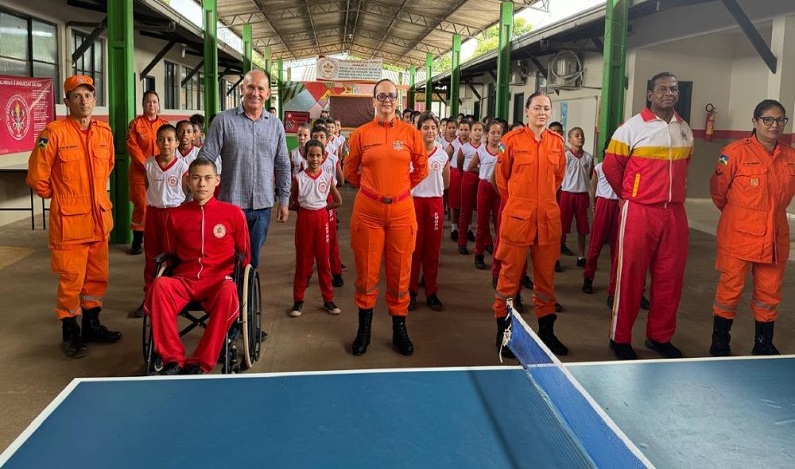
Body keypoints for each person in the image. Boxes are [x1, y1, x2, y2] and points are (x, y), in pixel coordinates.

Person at [27, 74, 122, 358]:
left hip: (98, 220)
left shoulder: (104, 133)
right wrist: (63, 197)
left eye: (88, 95)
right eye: (77, 96)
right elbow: (37, 178)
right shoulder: (54, 133)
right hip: (69, 223)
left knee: (96, 278)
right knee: (71, 280)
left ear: (94, 100)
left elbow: (109, 167)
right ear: (67, 101)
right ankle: (71, 332)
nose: (84, 101)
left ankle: (91, 326)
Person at [602, 71, 693, 360]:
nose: (669, 93)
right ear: (650, 95)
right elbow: (611, 167)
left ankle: (659, 336)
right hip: (640, 211)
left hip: (674, 213)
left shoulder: (684, 129)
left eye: (674, 89)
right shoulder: (631, 128)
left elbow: (684, 167)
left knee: (670, 278)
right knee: (630, 276)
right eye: (662, 89)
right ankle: (620, 338)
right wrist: (630, 195)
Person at [343, 79, 428, 356]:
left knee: (400, 273)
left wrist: (399, 190)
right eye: (382, 96)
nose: (387, 100)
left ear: (398, 100)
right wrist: (374, 191)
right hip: (368, 212)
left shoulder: (411, 133)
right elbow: (350, 171)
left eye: (392, 96)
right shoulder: (361, 134)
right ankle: (364, 330)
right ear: (374, 101)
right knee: (366, 274)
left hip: (402, 212)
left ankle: (399, 329)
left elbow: (421, 169)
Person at [145, 159, 250, 375]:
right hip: (185, 279)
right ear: (188, 181)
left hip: (218, 282)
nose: (202, 184)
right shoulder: (174, 216)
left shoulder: (233, 214)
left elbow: (244, 255)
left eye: (207, 178)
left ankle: (200, 362)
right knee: (159, 286)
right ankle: (172, 359)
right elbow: (170, 253)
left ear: (217, 181)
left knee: (229, 291)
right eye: (196, 178)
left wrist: (234, 277)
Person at [709, 99, 795, 357]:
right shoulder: (734, 153)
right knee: (729, 291)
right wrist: (742, 215)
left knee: (769, 293)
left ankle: (763, 343)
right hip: (739, 235)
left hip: (775, 237)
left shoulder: (790, 156)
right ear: (755, 122)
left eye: (780, 120)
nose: (774, 125)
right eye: (767, 119)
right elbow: (718, 192)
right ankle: (720, 342)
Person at [493, 91, 568, 357]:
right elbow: (502, 180)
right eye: (537, 107)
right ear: (526, 111)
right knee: (509, 279)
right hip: (517, 220)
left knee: (545, 281)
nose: (542, 113)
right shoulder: (510, 141)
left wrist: (540, 204)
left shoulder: (557, 143)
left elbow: (558, 178)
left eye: (547, 108)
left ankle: (547, 333)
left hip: (547, 221)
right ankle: (505, 336)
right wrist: (520, 204)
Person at [198, 70, 291, 269]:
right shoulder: (223, 121)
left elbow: (283, 164)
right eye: (250, 87)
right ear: (242, 89)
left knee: (251, 260)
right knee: (226, 260)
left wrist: (284, 199)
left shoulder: (276, 126)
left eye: (260, 89)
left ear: (267, 94)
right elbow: (206, 158)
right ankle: (228, 297)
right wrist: (198, 191)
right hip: (230, 205)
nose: (255, 93)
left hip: (261, 208)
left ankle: (246, 298)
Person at [288, 139, 343, 318]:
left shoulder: (327, 178)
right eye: (311, 155)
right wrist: (305, 209)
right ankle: (298, 300)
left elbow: (338, 201)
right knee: (303, 261)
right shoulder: (299, 178)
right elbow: (291, 203)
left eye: (318, 155)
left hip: (322, 219)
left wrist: (322, 208)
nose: (314, 159)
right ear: (305, 156)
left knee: (323, 261)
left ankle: (328, 299)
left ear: (324, 156)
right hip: (305, 220)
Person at [409, 112, 450, 312]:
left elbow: (447, 182)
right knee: (414, 251)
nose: (430, 131)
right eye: (425, 127)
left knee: (432, 252)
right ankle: (411, 292)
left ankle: (431, 292)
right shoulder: (410, 154)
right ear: (418, 130)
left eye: (433, 127)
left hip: (435, 204)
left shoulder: (442, 154)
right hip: (414, 203)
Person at [127, 91, 169, 255]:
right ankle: (137, 241)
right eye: (148, 102)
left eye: (154, 102)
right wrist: (146, 165)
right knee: (141, 208)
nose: (151, 105)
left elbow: (170, 144)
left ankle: (161, 240)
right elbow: (132, 146)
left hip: (162, 172)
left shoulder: (164, 124)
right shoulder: (135, 124)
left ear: (158, 104)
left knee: (162, 205)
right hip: (140, 174)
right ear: (143, 104)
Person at [311, 125, 345, 287]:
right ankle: (307, 272)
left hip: (328, 200)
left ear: (327, 139)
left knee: (330, 238)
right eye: (315, 136)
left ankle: (336, 272)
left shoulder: (332, 158)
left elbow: (341, 180)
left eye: (321, 137)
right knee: (310, 240)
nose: (318, 140)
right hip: (310, 203)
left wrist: (331, 190)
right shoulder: (307, 158)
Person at [559, 127, 593, 267]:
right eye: (577, 135)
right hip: (567, 194)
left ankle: (581, 256)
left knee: (582, 228)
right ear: (570, 140)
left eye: (582, 135)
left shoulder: (588, 157)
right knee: (561, 227)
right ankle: (556, 257)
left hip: (582, 195)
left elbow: (590, 176)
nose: (580, 138)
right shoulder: (565, 157)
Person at [471, 121, 502, 270]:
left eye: (498, 133)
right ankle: (479, 254)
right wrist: (484, 174)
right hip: (484, 187)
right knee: (482, 222)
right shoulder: (482, 151)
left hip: (499, 190)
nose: (496, 136)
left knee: (499, 223)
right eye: (493, 133)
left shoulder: (504, 149)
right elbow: (470, 166)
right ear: (486, 134)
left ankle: (499, 255)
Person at [456, 121, 484, 255]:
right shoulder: (464, 148)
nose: (477, 133)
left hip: (484, 179)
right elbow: (460, 165)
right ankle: (462, 242)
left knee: (481, 212)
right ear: (471, 132)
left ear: (484, 133)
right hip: (468, 177)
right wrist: (467, 173)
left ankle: (485, 243)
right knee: (465, 211)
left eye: (480, 130)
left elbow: (504, 152)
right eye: (475, 130)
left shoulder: (488, 146)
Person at [447, 119, 470, 242]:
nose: (463, 132)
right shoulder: (454, 145)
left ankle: (467, 228)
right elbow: (446, 160)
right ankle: (454, 228)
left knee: (467, 204)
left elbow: (501, 148)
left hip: (469, 174)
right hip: (456, 173)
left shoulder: (476, 143)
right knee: (455, 203)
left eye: (466, 130)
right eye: (461, 129)